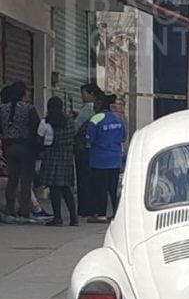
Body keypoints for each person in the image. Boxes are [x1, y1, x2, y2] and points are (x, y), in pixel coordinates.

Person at [0, 82, 41, 224]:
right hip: (25, 148)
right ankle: (24, 212)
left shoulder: (2, 109)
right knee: (25, 182)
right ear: (23, 93)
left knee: (12, 180)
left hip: (9, 148)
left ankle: (9, 211)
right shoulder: (29, 109)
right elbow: (36, 129)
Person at [85, 93, 126, 223]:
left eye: (95, 104)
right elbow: (123, 137)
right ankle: (116, 214)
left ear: (99, 105)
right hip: (115, 159)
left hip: (99, 160)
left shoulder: (95, 119)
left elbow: (89, 139)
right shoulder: (118, 118)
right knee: (113, 189)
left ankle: (101, 214)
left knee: (100, 188)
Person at [38, 97, 77, 226]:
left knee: (54, 187)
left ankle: (58, 217)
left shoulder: (46, 122)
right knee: (66, 188)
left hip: (51, 155)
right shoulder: (70, 121)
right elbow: (74, 136)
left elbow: (39, 138)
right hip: (66, 157)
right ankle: (73, 218)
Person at [74, 82, 101, 219]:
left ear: (91, 94)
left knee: (83, 180)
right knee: (94, 180)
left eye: (83, 94)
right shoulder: (101, 108)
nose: (82, 97)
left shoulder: (87, 108)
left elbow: (76, 126)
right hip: (97, 149)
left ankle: (84, 208)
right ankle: (94, 208)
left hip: (84, 148)